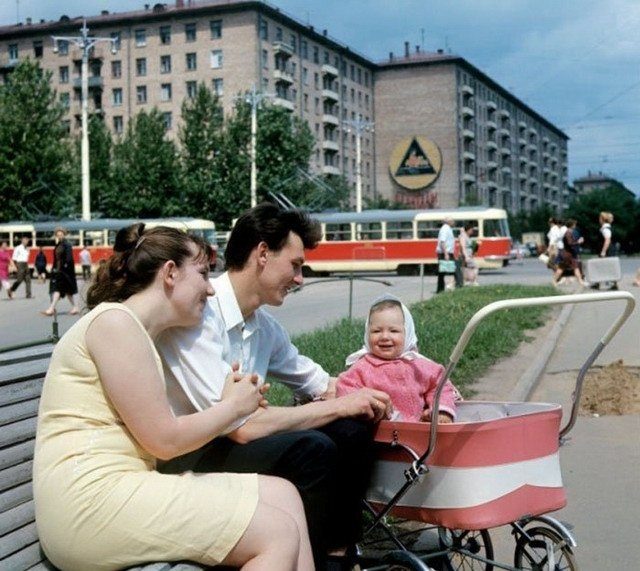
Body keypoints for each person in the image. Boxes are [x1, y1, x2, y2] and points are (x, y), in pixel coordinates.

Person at [33, 223, 314, 571]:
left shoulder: (133, 330)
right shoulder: (115, 324)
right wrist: (231, 408)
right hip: (88, 503)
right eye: (202, 274)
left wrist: (229, 404)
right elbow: (164, 442)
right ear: (170, 273)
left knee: (284, 495)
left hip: (114, 490)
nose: (210, 289)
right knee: (276, 532)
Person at [156, 203, 391, 567]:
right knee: (312, 450)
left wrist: (387, 391)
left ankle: (337, 554)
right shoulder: (199, 315)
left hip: (231, 440)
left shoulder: (263, 326)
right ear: (263, 253)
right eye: (295, 265)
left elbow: (321, 384)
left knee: (352, 430)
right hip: (188, 454)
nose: (300, 279)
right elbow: (240, 427)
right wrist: (339, 405)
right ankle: (314, 558)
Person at [336, 295, 459, 423]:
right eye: (376, 331)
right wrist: (369, 408)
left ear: (407, 333)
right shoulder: (362, 368)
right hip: (380, 430)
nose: (384, 337)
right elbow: (344, 389)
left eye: (394, 331)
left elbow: (440, 386)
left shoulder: (418, 366)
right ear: (367, 334)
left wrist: (440, 411)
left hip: (420, 429)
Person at [42, 227, 79, 316]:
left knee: (58, 289)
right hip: (58, 271)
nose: (59, 236)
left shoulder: (67, 245)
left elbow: (69, 259)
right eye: (58, 235)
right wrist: (53, 269)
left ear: (64, 234)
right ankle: (74, 307)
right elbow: (56, 259)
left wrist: (65, 267)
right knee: (65, 291)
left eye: (61, 234)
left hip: (64, 272)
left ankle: (51, 309)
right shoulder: (58, 245)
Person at [552, 219, 587, 288]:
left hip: (567, 254)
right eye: (574, 224)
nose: (575, 226)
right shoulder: (568, 233)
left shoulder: (568, 232)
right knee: (571, 267)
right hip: (568, 254)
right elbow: (570, 243)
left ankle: (581, 282)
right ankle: (581, 282)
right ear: (572, 225)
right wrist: (578, 242)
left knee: (567, 267)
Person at [436, 217, 462, 293]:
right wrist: (446, 254)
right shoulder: (445, 229)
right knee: (456, 269)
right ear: (448, 222)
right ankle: (459, 286)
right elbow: (442, 242)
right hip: (445, 253)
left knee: (442, 272)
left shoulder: (448, 228)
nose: (454, 222)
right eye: (452, 221)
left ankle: (440, 289)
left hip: (446, 253)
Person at [458, 222, 479, 286]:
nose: (472, 231)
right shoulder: (463, 236)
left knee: (463, 269)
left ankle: (466, 281)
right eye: (472, 230)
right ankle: (474, 281)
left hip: (468, 255)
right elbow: (463, 247)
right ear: (468, 230)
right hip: (465, 256)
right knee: (475, 266)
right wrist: (466, 256)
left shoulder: (466, 236)